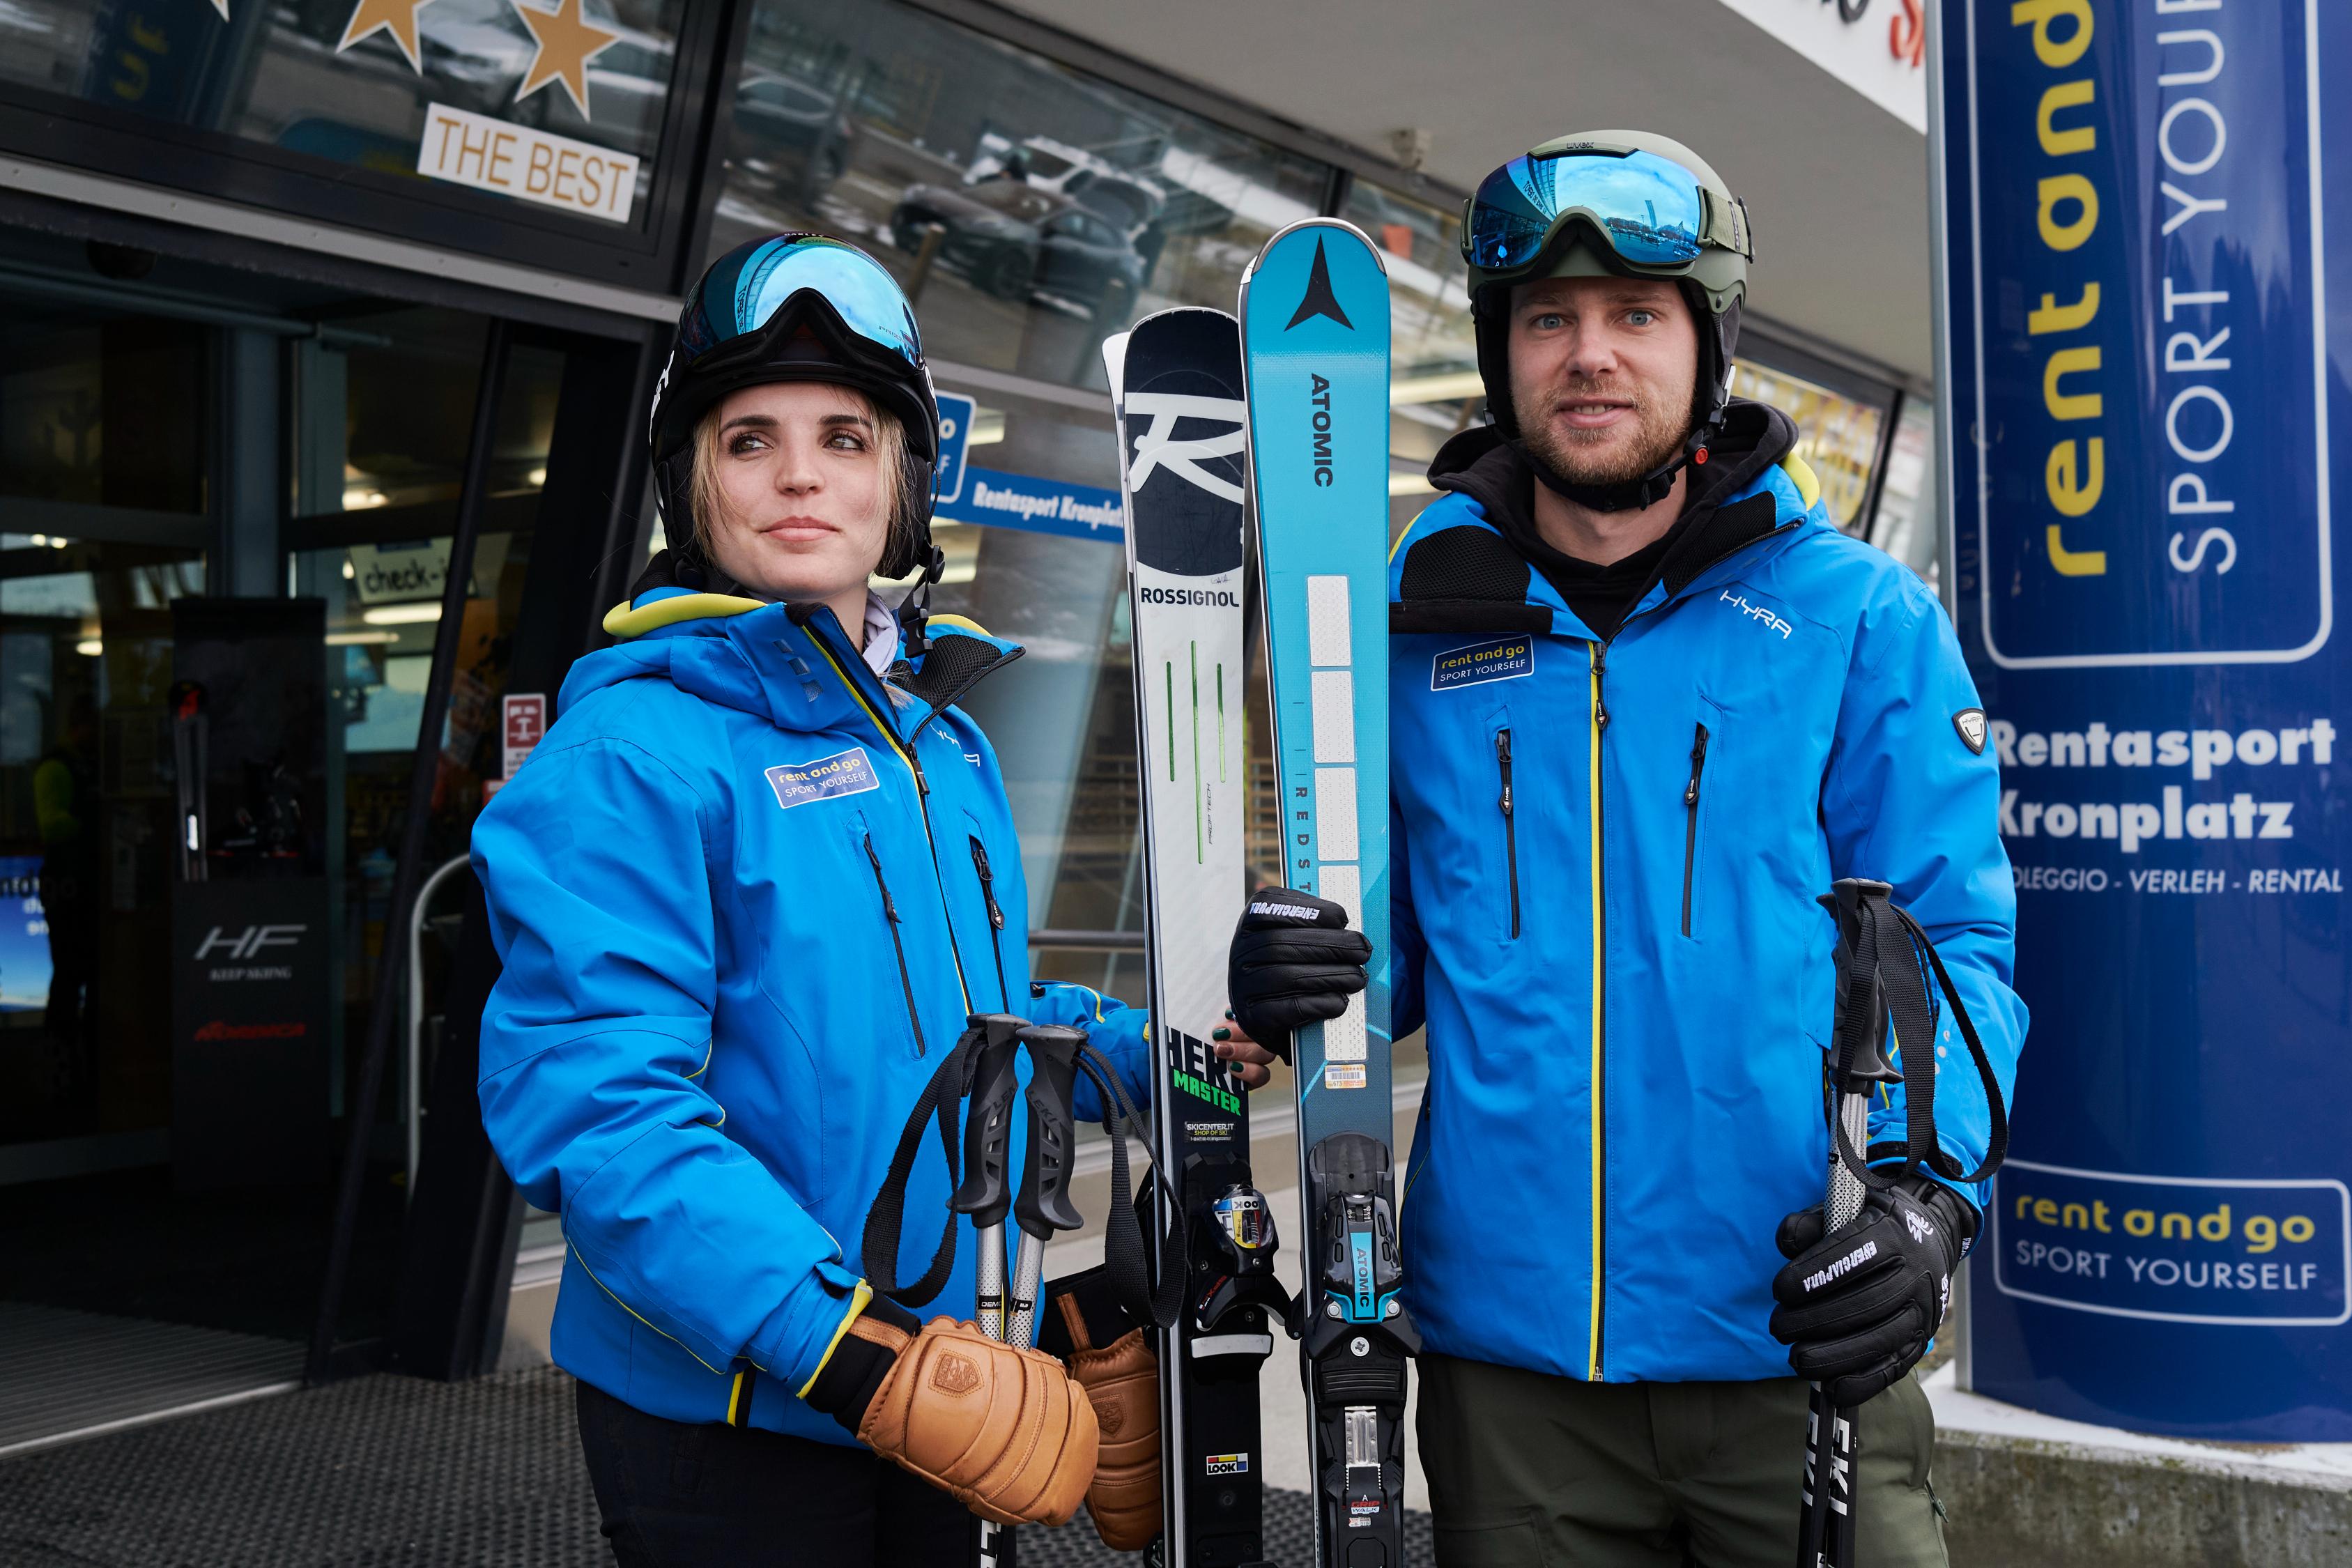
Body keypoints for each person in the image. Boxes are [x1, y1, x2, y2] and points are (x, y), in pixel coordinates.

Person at [1228, 131, 2025, 1566]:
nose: (1587, 355)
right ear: (1499, 353)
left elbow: (1950, 942)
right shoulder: (1408, 625)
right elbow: (1387, 958)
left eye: (1633, 316)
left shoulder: (1855, 617)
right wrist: (1288, 967)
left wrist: (1924, 1202)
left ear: (1703, 346)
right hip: (1513, 1376)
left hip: (1793, 1336)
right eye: (1546, 320)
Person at [471, 233, 1261, 1567]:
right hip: (744, 1402)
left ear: (901, 481)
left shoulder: (935, 743)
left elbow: (991, 1014)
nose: (797, 474)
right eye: (749, 439)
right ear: (692, 482)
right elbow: (604, 1110)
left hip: (947, 1372)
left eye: (845, 436)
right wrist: (844, 1351)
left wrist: (1186, 1046)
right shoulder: (631, 759)